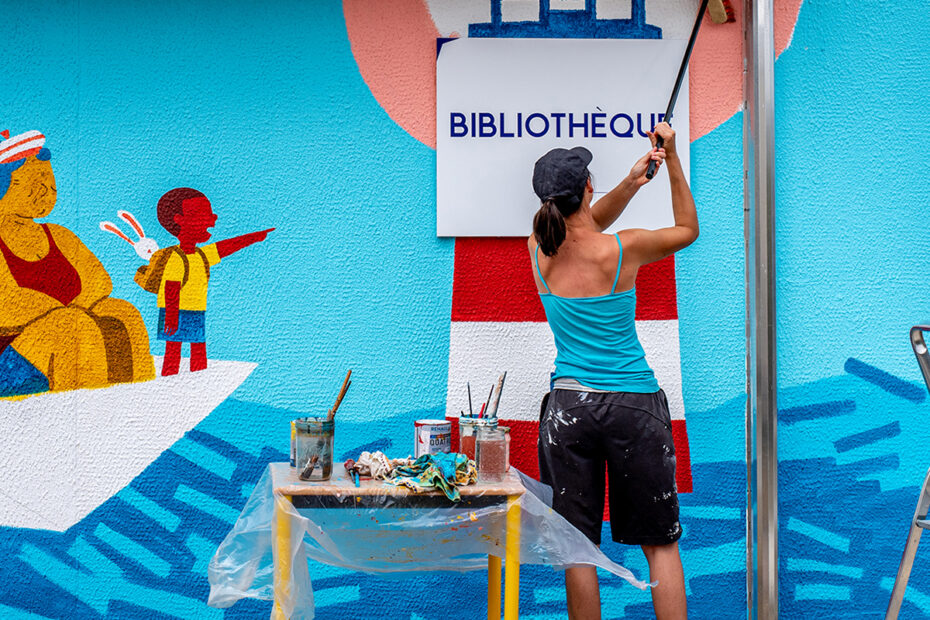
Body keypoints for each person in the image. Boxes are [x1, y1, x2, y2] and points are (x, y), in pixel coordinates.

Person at [529, 122, 697, 620]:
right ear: (586, 188)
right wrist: (672, 164)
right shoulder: (621, 249)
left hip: (568, 410)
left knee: (577, 549)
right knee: (660, 545)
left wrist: (631, 182)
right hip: (633, 405)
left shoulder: (538, 249)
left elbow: (581, 224)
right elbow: (687, 229)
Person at [0, 129, 154, 393]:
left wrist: (75, 308)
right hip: (11, 362)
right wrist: (65, 312)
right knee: (70, 326)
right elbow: (9, 306)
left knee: (122, 312)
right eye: (28, 181)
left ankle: (140, 397)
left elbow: (99, 281)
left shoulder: (59, 235)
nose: (44, 190)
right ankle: (77, 413)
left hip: (72, 329)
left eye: (48, 180)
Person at [154, 187, 273, 376]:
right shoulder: (176, 258)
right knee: (173, 350)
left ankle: (199, 379)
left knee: (198, 348)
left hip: (196, 311)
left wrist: (254, 238)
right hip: (174, 312)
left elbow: (225, 247)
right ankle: (171, 381)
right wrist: (171, 315)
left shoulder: (201, 255)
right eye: (202, 213)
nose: (213, 217)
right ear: (179, 220)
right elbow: (171, 287)